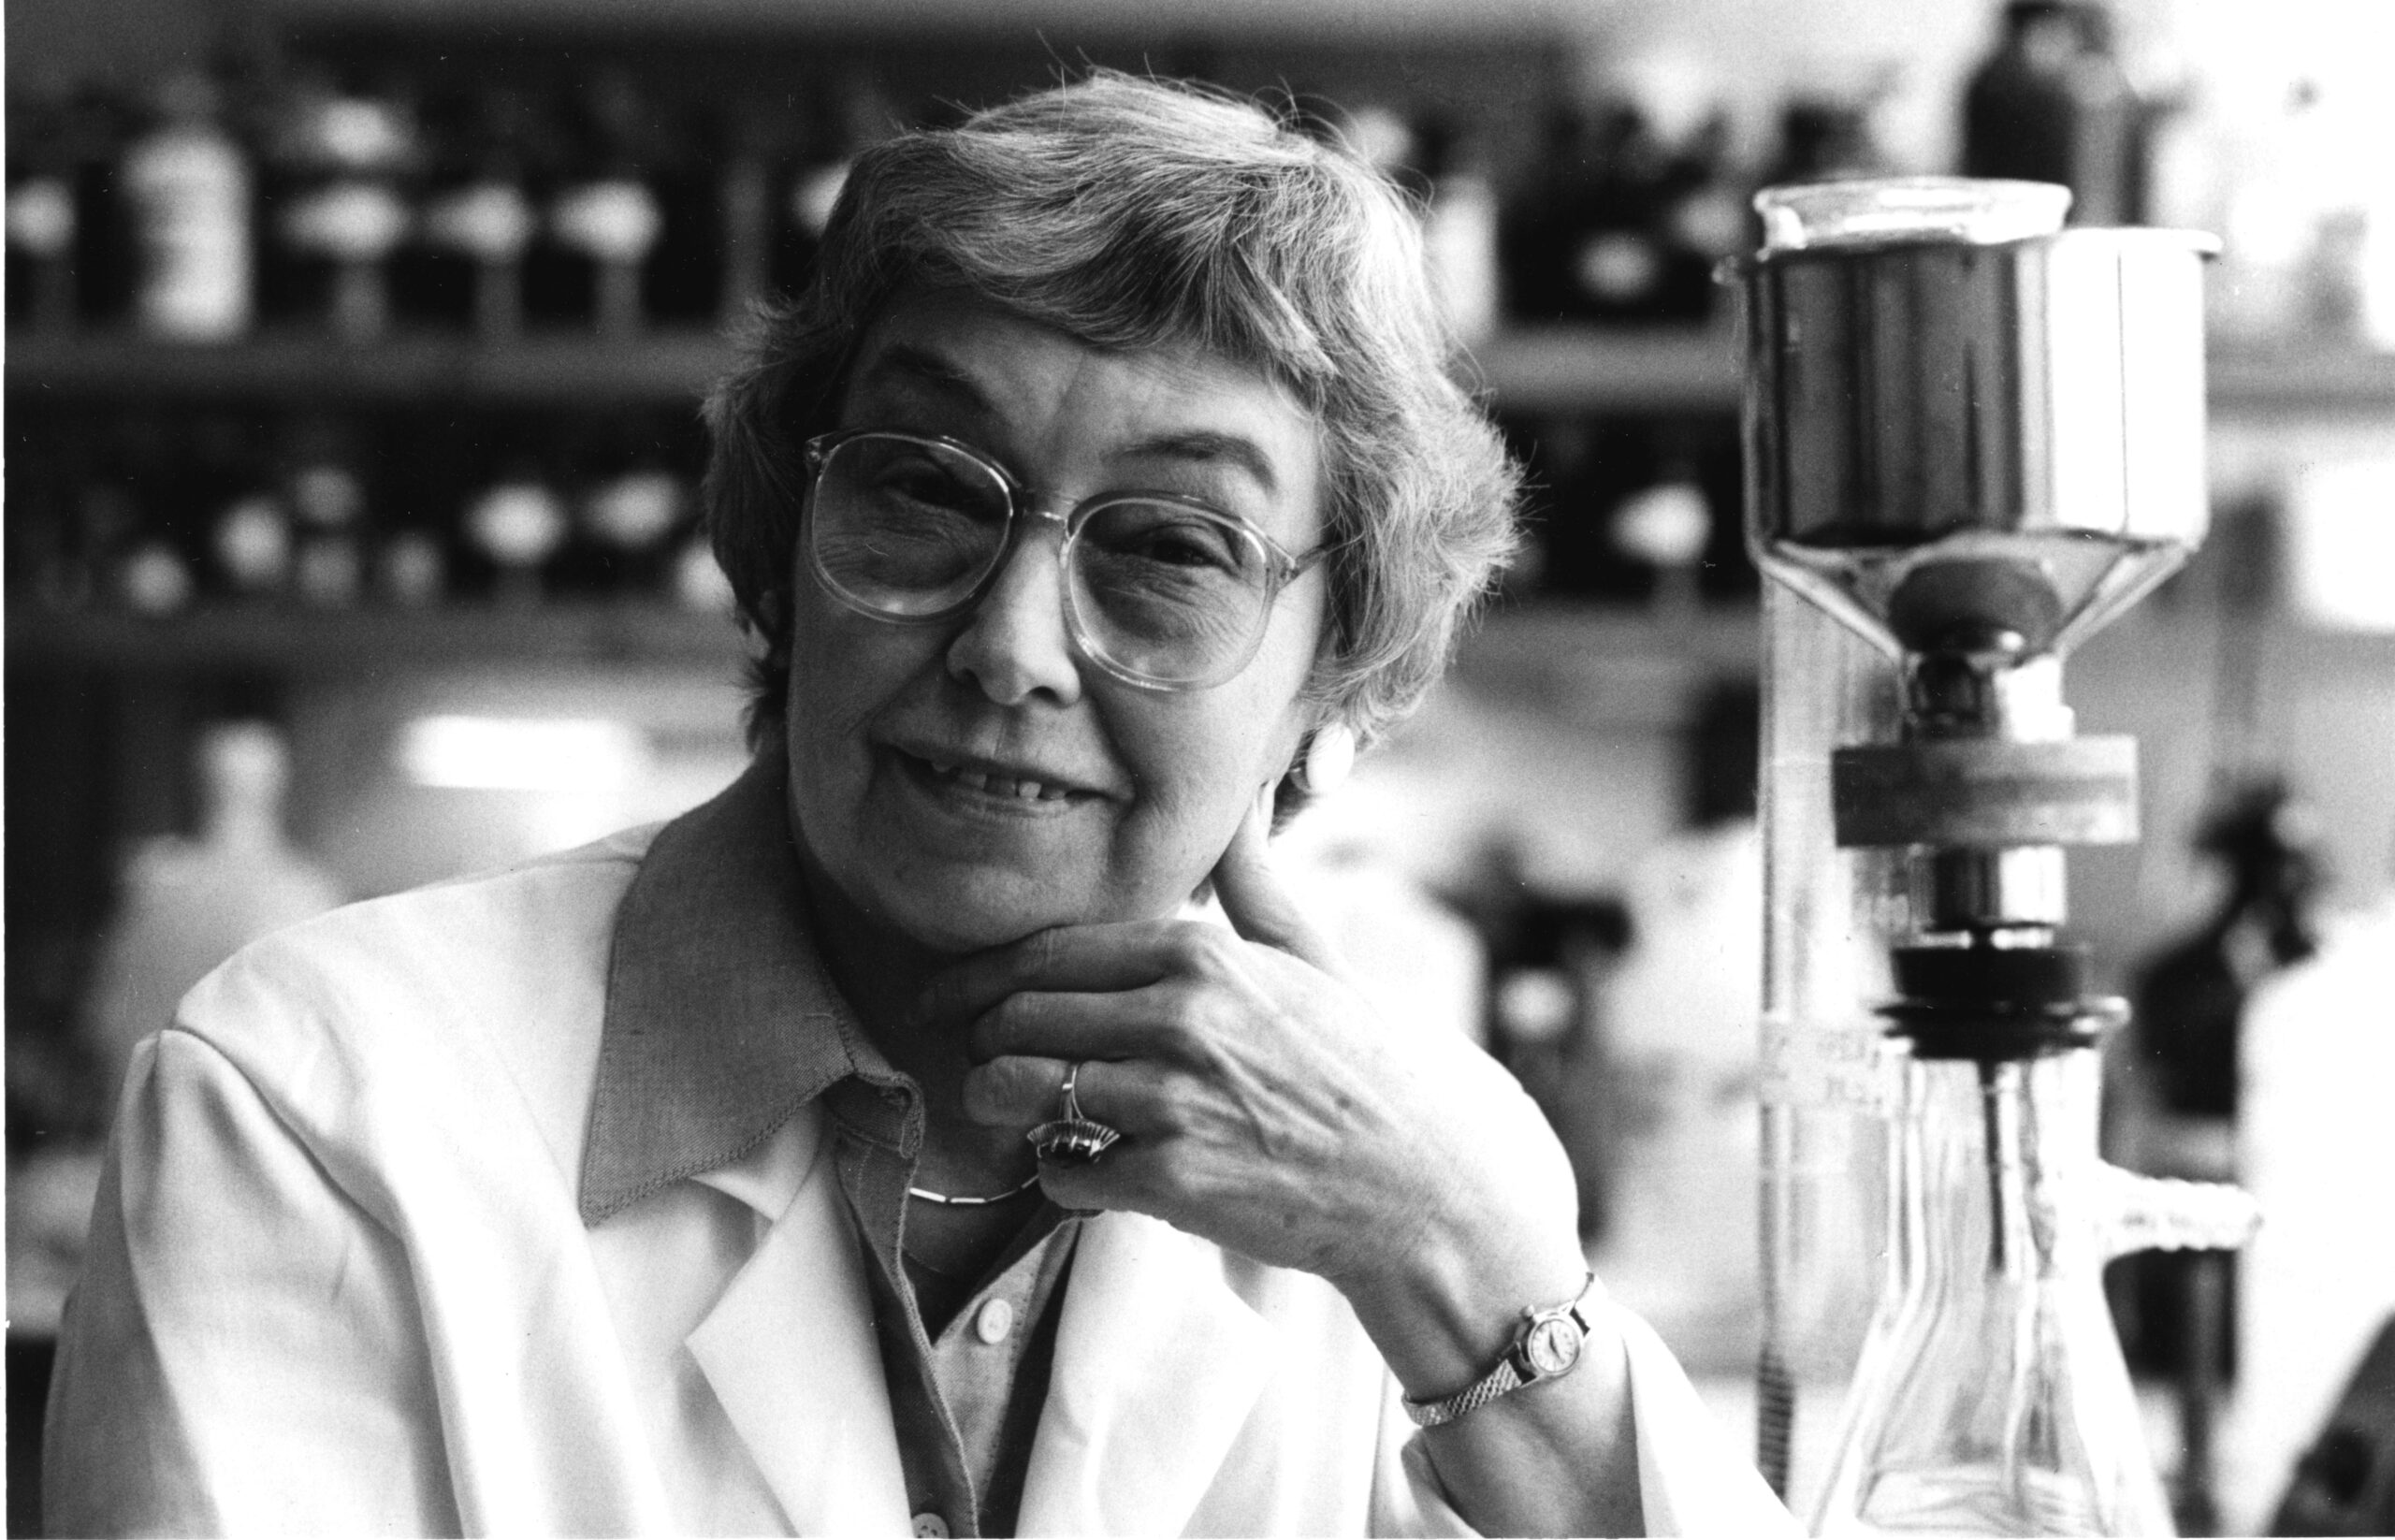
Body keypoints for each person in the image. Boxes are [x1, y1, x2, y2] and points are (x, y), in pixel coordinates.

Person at [44, 72, 1791, 1537]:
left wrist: (1466, 1260)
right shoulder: (316, 1109)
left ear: (1334, 682)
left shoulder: (1389, 1165)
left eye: (1174, 546)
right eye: (923, 491)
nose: (1013, 644)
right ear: (786, 549)